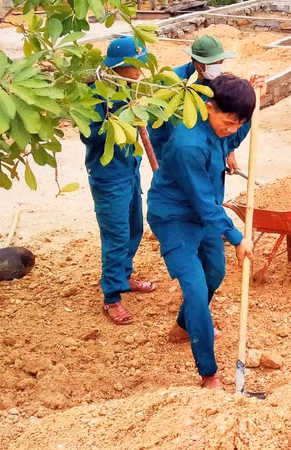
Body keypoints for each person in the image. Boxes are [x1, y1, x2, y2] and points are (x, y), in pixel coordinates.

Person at [147, 73, 256, 390]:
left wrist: (255, 98)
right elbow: (205, 203)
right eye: (229, 121)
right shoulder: (188, 145)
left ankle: (183, 327)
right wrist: (237, 237)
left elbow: (233, 136)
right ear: (209, 107)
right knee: (195, 290)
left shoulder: (221, 127)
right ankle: (209, 374)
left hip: (205, 213)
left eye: (240, 123)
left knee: (215, 271)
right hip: (175, 216)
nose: (232, 130)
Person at [81, 36, 156, 326]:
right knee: (116, 236)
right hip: (108, 177)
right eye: (135, 65)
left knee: (135, 227)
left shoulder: (126, 89)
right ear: (120, 67)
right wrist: (122, 118)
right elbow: (90, 135)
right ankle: (112, 297)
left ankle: (124, 275)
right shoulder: (95, 95)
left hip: (129, 170)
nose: (140, 71)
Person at [148, 34, 235, 166]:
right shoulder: (171, 82)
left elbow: (226, 121)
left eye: (220, 62)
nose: (217, 66)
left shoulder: (218, 82)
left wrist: (229, 152)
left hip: (208, 151)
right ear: (196, 61)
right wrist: (163, 160)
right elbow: (156, 127)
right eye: (212, 62)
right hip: (178, 151)